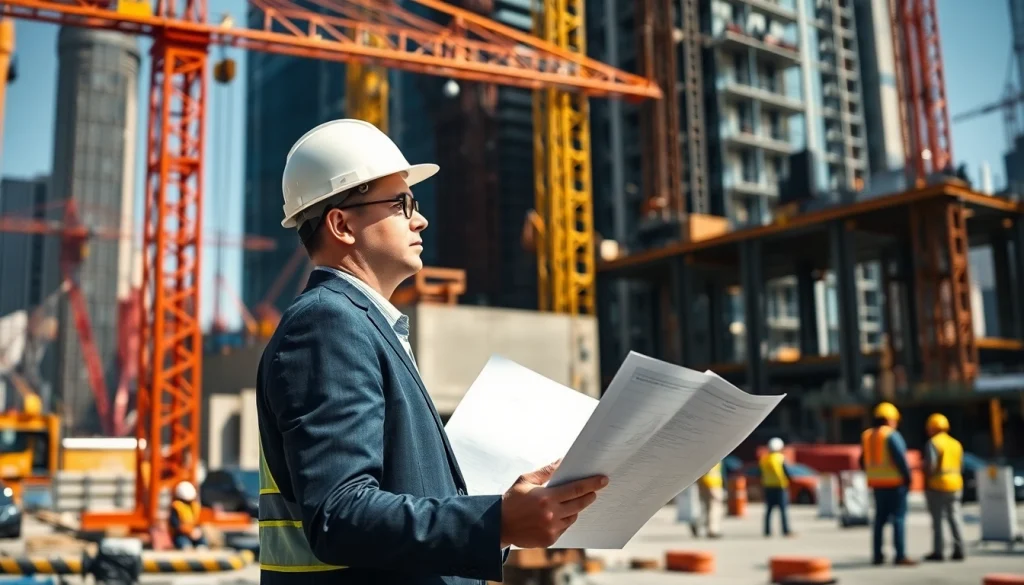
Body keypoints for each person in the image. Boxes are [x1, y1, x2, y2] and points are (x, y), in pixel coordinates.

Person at [255, 119, 609, 585]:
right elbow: (339, 513)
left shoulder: (358, 323)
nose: (419, 218)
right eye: (400, 204)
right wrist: (495, 522)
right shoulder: (327, 325)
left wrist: (497, 515)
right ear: (341, 224)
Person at [860, 402, 916, 566]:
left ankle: (877, 555)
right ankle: (900, 555)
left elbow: (862, 460)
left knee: (879, 521)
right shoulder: (891, 435)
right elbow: (900, 459)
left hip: (877, 484)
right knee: (898, 519)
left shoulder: (867, 436)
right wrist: (908, 478)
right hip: (895, 484)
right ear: (890, 419)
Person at [923, 413, 965, 562]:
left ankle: (938, 551)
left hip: (938, 485)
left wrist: (926, 481)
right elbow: (961, 465)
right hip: (956, 484)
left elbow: (931, 466)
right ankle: (959, 549)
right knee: (955, 517)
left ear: (932, 428)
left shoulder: (933, 443)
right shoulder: (956, 443)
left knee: (938, 520)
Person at [760, 437, 793, 537]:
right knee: (783, 510)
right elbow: (786, 472)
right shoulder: (780, 458)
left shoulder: (764, 459)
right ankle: (785, 530)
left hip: (768, 486)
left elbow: (760, 473)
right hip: (780, 486)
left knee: (769, 510)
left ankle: (767, 531)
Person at [168, 481, 206, 550]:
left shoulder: (194, 507)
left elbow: (197, 522)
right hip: (181, 535)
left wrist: (197, 531)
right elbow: (175, 525)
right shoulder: (176, 507)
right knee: (183, 543)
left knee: (202, 542)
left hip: (194, 533)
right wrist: (189, 532)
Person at [691, 460, 724, 538]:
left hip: (702, 481)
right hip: (713, 483)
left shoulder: (703, 455)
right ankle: (713, 530)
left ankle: (697, 523)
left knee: (704, 506)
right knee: (715, 507)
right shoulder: (716, 454)